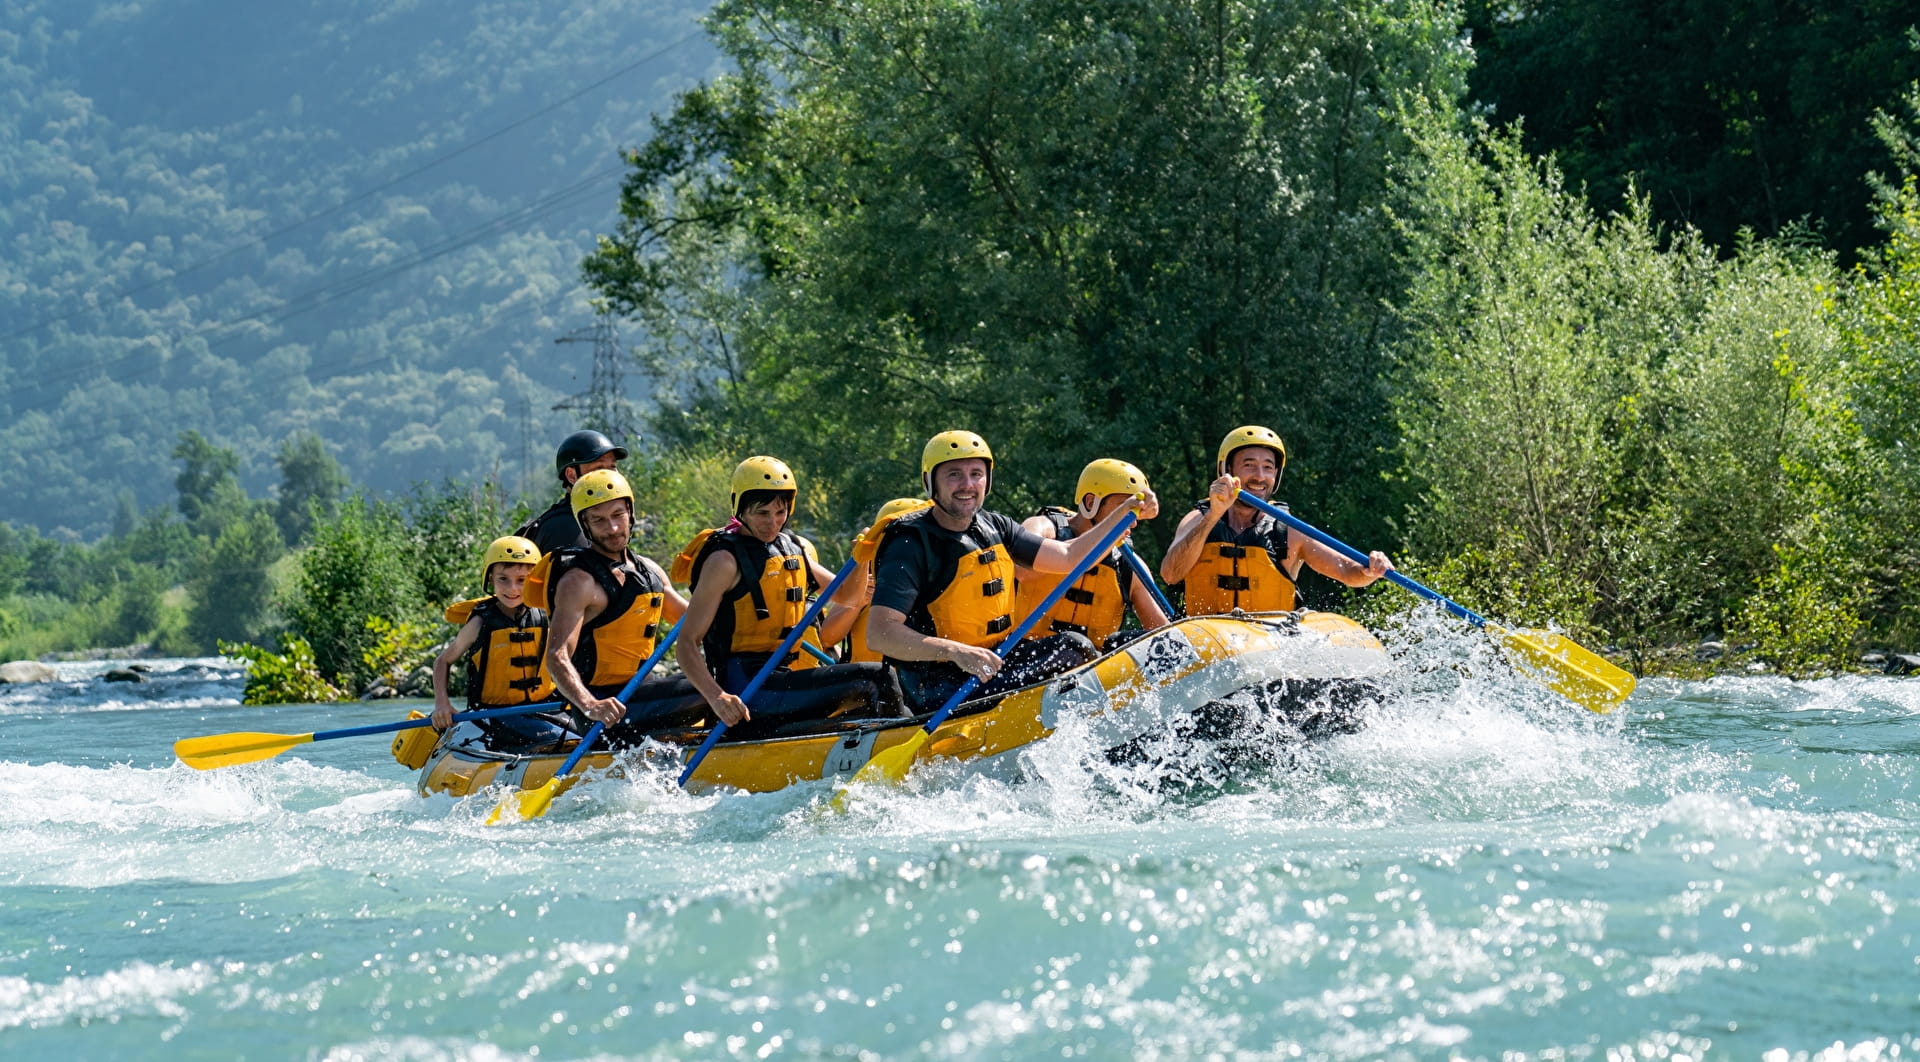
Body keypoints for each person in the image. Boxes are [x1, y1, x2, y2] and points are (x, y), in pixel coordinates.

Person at [865, 431, 1157, 711]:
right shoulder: (909, 544)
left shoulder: (996, 526)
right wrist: (954, 651)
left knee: (1074, 648)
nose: (967, 484)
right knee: (1072, 651)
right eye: (954, 474)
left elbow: (1069, 556)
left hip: (993, 662)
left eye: (976, 474)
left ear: (987, 480)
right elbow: (880, 633)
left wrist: (1125, 512)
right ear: (931, 482)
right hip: (936, 684)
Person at [670, 456, 870, 725]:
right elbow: (685, 644)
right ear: (740, 508)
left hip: (781, 678)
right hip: (746, 691)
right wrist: (717, 698)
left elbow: (848, 597)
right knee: (871, 679)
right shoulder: (723, 561)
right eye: (761, 513)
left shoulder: (790, 547)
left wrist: (862, 557)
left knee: (872, 681)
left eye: (780, 512)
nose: (772, 523)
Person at [1159, 425, 1392, 615]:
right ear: (1227, 470)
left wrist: (1369, 571)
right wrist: (1213, 515)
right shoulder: (1198, 520)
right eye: (1249, 465)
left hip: (1268, 645)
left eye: (1268, 468)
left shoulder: (1288, 531)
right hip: (1206, 641)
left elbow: (1346, 570)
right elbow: (1170, 574)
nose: (1260, 477)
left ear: (1276, 475)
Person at [542, 468, 688, 736]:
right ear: (584, 525)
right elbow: (556, 657)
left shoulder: (650, 571)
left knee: (716, 682)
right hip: (605, 710)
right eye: (598, 520)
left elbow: (695, 622)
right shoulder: (579, 582)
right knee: (709, 687)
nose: (612, 528)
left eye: (618, 515)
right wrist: (590, 705)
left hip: (643, 696)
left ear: (630, 513)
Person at [1015, 459, 1171, 650]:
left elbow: (1162, 631)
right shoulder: (1043, 527)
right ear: (1091, 502)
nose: (1132, 522)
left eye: (1134, 512)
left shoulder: (1128, 565)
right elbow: (1021, 572)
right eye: (1123, 507)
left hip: (1092, 671)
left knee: (1161, 643)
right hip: (1023, 656)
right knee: (1076, 645)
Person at [428, 536, 566, 749]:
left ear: (535, 580)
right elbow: (442, 662)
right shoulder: (480, 622)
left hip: (546, 711)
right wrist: (442, 704)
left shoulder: (548, 616)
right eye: (503, 579)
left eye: (522, 580)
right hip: (491, 715)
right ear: (490, 577)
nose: (512, 589)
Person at [845, 497, 931, 663]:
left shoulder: (939, 581)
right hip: (867, 683)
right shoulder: (864, 582)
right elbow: (827, 638)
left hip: (915, 682)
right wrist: (859, 601)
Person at [516, 429, 628, 555]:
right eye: (599, 468)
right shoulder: (563, 527)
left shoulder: (582, 517)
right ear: (571, 475)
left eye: (613, 467)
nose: (609, 475)